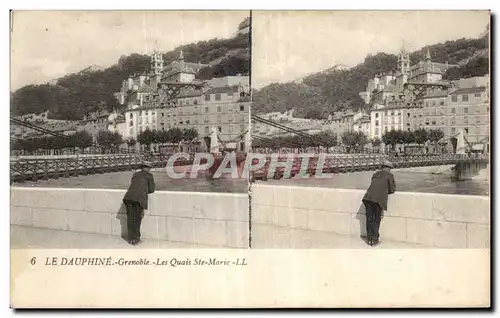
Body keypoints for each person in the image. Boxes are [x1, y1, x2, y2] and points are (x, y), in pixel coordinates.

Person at [362, 159, 396, 247]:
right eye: (390, 168)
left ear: (382, 167)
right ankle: (375, 239)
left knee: (369, 218)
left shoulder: (375, 174)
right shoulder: (389, 175)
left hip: (367, 198)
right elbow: (392, 190)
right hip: (378, 199)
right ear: (388, 168)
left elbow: (374, 185)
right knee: (377, 219)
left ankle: (369, 239)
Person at [123, 161, 155, 245]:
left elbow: (133, 185)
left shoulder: (135, 174)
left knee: (130, 218)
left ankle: (130, 238)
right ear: (147, 168)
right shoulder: (149, 176)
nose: (149, 169)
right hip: (138, 199)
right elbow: (152, 189)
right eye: (149, 168)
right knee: (137, 219)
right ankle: (136, 238)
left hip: (128, 198)